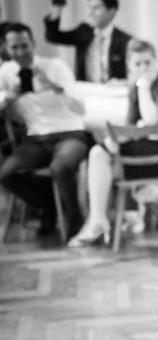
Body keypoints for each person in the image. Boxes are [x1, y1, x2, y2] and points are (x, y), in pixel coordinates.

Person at [67, 39, 158, 247]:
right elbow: (131, 126)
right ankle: (98, 219)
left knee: (105, 158)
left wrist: (144, 87)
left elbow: (151, 120)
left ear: (156, 61)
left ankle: (120, 216)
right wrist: (114, 140)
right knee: (99, 152)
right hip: (144, 148)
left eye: (148, 62)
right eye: (137, 64)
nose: (143, 68)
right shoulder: (134, 89)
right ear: (129, 66)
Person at [0, 23, 91, 238]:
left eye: (24, 46)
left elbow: (81, 109)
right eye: (14, 47)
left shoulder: (55, 67)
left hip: (70, 134)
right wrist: (6, 98)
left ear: (33, 44)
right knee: (5, 174)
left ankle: (75, 222)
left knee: (60, 167)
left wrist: (56, 88)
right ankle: (47, 206)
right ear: (6, 48)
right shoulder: (6, 72)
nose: (20, 52)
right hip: (36, 138)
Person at [44, 0, 133, 83]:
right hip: (85, 88)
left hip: (112, 89)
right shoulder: (84, 32)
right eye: (89, 7)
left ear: (111, 11)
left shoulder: (124, 40)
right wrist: (57, 7)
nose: (90, 12)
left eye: (96, 8)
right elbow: (53, 36)